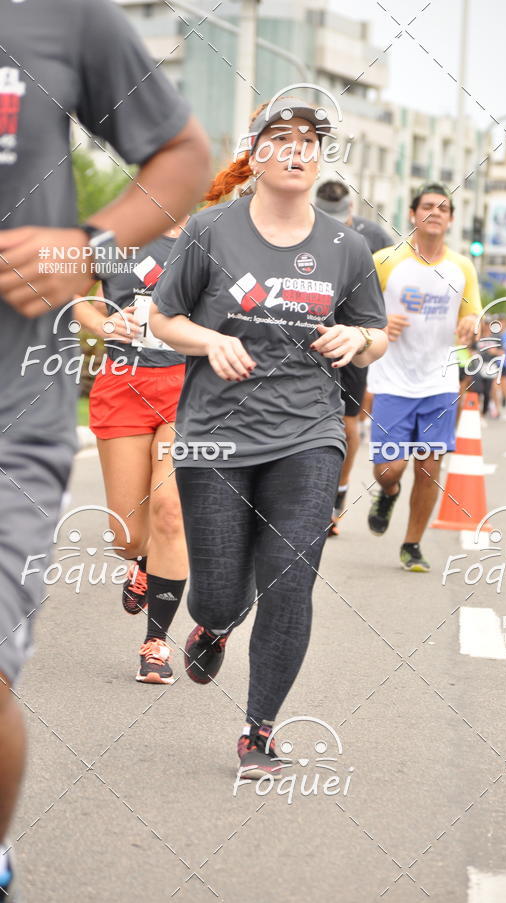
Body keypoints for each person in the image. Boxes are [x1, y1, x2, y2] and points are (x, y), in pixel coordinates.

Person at [0, 0, 210, 896]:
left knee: (164, 510)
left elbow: (183, 155)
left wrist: (80, 249)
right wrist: (94, 302)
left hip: (14, 407)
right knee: (132, 526)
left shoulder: (59, 17)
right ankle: (142, 574)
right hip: (118, 381)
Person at [150, 96, 388, 778]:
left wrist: (359, 337)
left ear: (319, 158)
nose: (295, 148)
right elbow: (164, 319)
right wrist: (210, 339)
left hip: (307, 432)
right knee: (222, 589)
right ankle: (215, 624)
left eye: (308, 140)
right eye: (280, 138)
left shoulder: (346, 246)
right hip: (215, 434)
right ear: (254, 154)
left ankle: (259, 731)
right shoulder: (209, 230)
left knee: (290, 579)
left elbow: (373, 335)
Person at [74, 219, 192, 684]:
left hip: (188, 390)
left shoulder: (209, 235)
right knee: (127, 535)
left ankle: (156, 643)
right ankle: (141, 564)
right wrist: (104, 322)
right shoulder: (112, 238)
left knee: (170, 511)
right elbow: (79, 298)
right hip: (123, 385)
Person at [366, 182, 481, 572]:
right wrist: (380, 321)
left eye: (443, 208)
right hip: (392, 380)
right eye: (427, 206)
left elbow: (473, 314)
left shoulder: (462, 267)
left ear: (450, 219)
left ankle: (412, 544)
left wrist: (470, 323)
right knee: (389, 468)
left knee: (429, 467)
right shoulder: (386, 260)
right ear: (413, 214)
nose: (435, 212)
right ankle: (388, 492)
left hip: (440, 381)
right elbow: (355, 309)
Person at [314, 180, 394, 535]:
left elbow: (396, 284)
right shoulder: (302, 228)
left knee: (348, 423)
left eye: (335, 215)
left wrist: (389, 322)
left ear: (349, 210)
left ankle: (337, 495)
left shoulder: (372, 237)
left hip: (356, 340)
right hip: (314, 339)